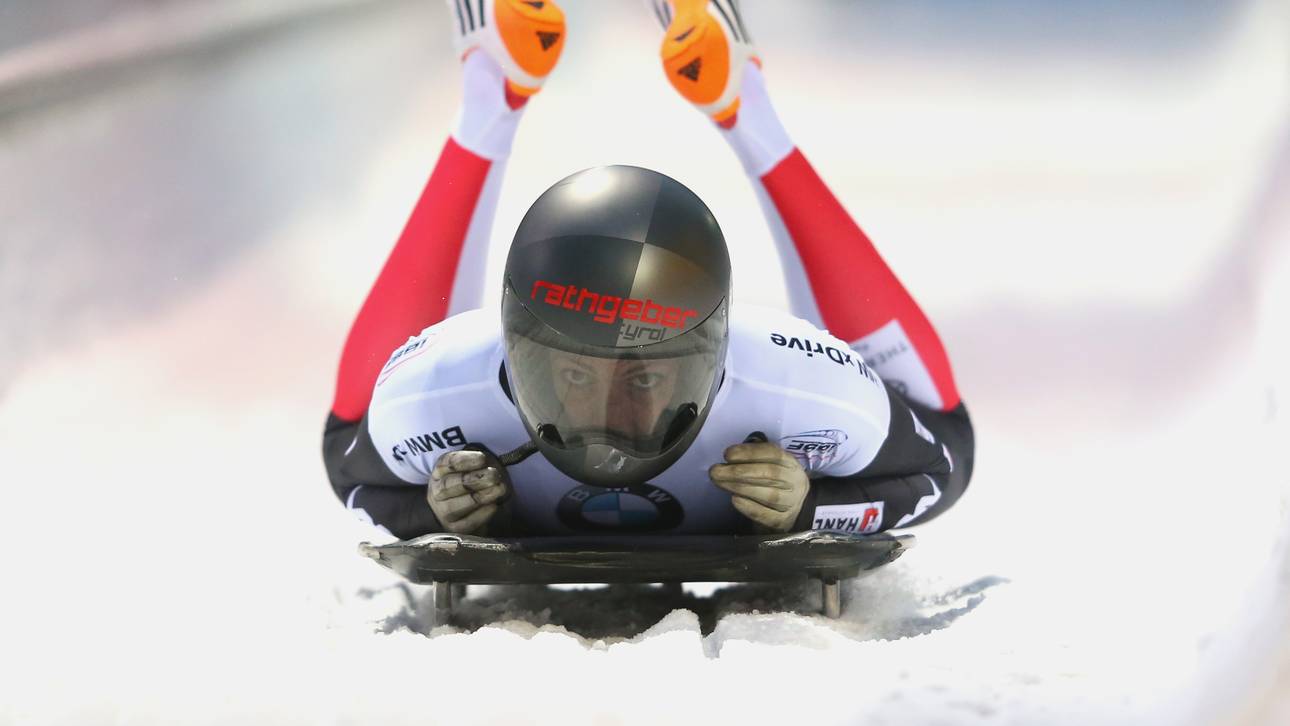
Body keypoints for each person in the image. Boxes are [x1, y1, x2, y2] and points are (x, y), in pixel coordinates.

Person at [322, 0, 973, 539]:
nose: (608, 430)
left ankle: (492, 96)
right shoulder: (797, 392)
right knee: (934, 415)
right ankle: (743, 113)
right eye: (576, 374)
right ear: (511, 350)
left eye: (642, 379)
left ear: (715, 357)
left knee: (357, 422)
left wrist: (427, 511)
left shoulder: (799, 378)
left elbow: (354, 479)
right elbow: (941, 468)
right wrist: (815, 505)